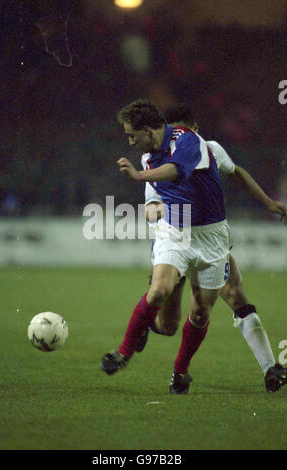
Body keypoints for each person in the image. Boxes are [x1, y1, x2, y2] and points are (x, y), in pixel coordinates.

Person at [137, 103, 287, 393]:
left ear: (195, 131)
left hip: (211, 240)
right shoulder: (156, 162)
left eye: (187, 132)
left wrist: (268, 203)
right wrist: (155, 211)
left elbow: (237, 173)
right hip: (179, 244)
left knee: (235, 296)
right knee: (167, 327)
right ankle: (147, 322)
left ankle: (271, 368)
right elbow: (151, 203)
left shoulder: (210, 149)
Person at [101, 99, 233, 394]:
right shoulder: (149, 157)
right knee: (159, 289)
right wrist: (153, 210)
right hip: (176, 227)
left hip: (212, 234)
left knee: (199, 315)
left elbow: (178, 170)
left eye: (132, 135)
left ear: (148, 130)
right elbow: (155, 201)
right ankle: (123, 352)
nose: (130, 140)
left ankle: (181, 372)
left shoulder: (188, 140)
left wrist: (137, 176)